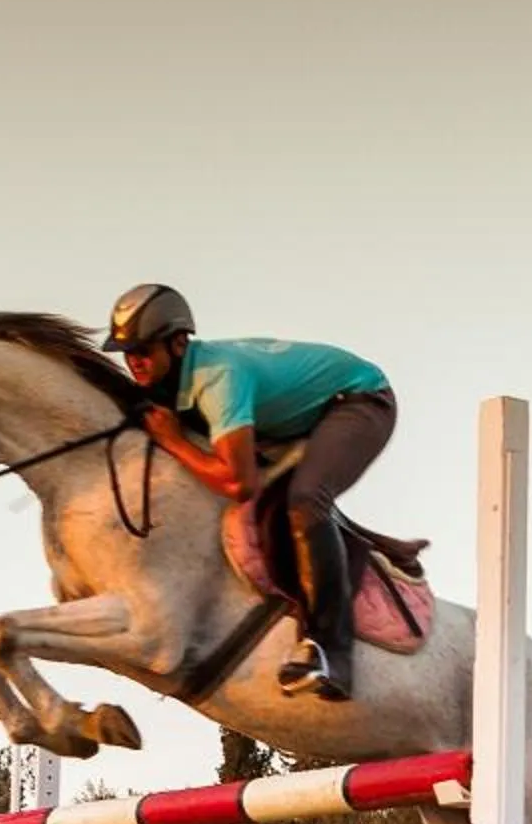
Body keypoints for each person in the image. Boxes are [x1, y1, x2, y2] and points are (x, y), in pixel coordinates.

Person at [102, 283, 395, 701]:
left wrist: (175, 443)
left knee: (304, 500)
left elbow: (241, 485)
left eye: (144, 351)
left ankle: (330, 652)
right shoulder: (177, 377)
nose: (136, 362)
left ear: (179, 342)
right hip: (301, 413)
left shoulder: (217, 379)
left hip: (360, 401)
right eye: (128, 353)